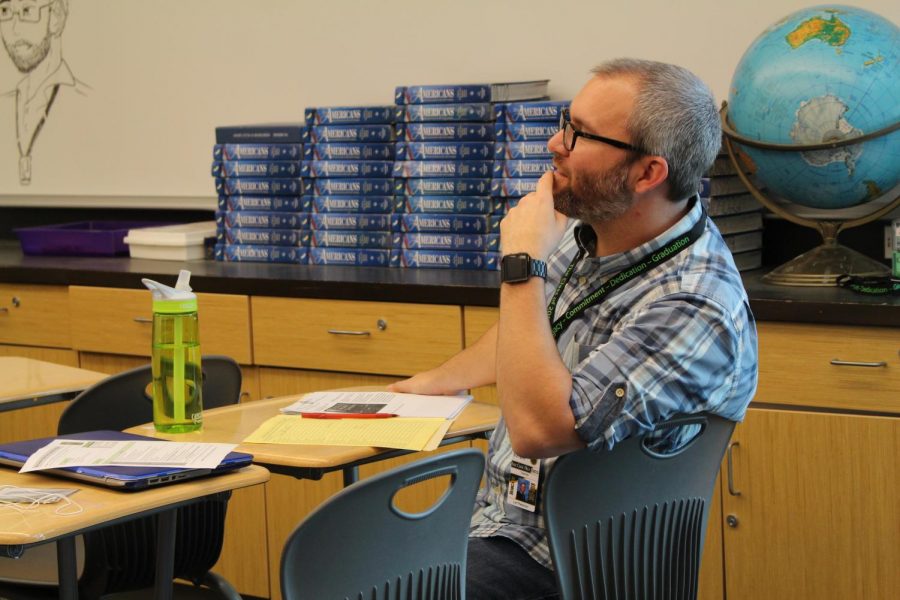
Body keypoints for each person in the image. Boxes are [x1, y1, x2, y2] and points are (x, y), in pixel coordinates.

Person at [389, 58, 759, 599]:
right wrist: (435, 382)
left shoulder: (695, 302)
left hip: (569, 562)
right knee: (347, 569)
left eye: (580, 134)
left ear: (648, 173)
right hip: (497, 524)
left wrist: (521, 266)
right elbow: (534, 335)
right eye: (567, 122)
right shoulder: (593, 232)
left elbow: (541, 432)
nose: (555, 145)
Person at [0, 0, 87, 185]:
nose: (14, 29)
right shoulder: (4, 102)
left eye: (27, 11)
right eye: (5, 10)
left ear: (55, 16)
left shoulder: (87, 103)